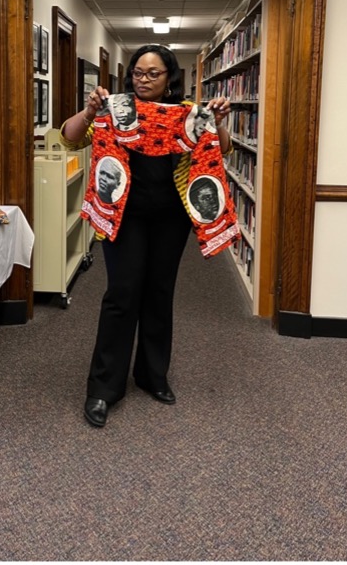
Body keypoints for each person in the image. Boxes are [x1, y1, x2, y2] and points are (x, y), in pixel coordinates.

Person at [61, 44, 232, 428]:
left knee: (159, 292)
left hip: (172, 216)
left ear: (169, 77)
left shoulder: (189, 113)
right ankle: (103, 389)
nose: (144, 79)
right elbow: (70, 138)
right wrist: (90, 111)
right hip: (124, 215)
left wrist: (217, 121)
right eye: (138, 73)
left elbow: (222, 149)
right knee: (122, 295)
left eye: (153, 73)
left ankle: (153, 375)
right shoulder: (115, 108)